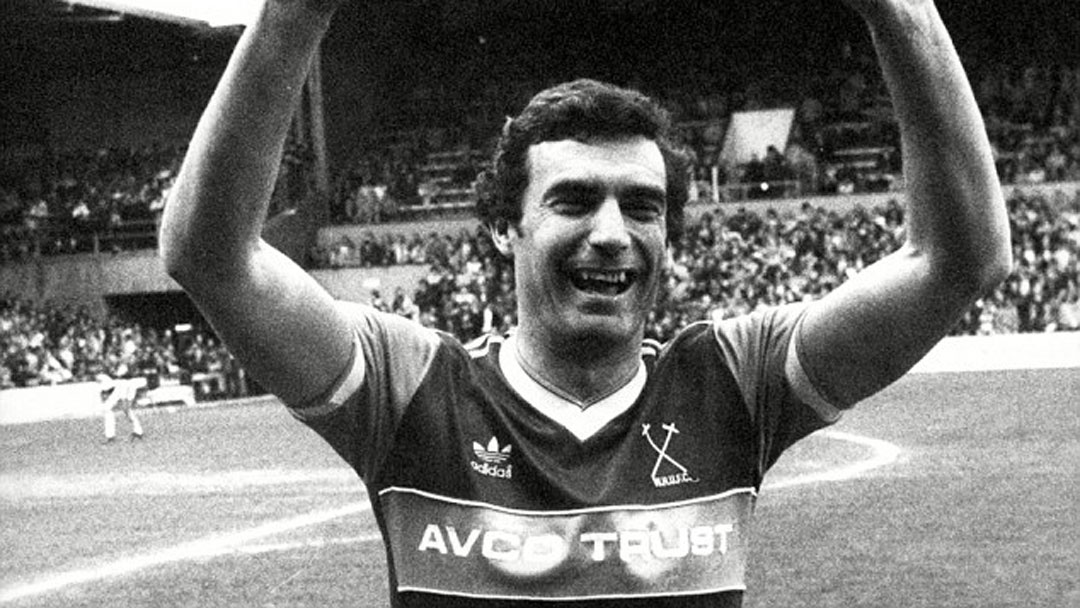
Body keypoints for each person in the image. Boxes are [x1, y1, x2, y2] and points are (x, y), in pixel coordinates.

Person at [159, 1, 1011, 606]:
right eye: (573, 201)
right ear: (505, 227)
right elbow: (213, 256)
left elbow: (958, 260)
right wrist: (296, 15)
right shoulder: (411, 390)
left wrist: (899, 10)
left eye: (643, 207)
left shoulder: (734, 384)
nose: (613, 233)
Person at [98, 367, 144, 443]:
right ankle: (138, 432)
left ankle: (137, 432)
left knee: (123, 410)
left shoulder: (122, 383)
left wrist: (124, 403)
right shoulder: (120, 382)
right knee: (112, 409)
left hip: (123, 388)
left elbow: (124, 400)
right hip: (122, 388)